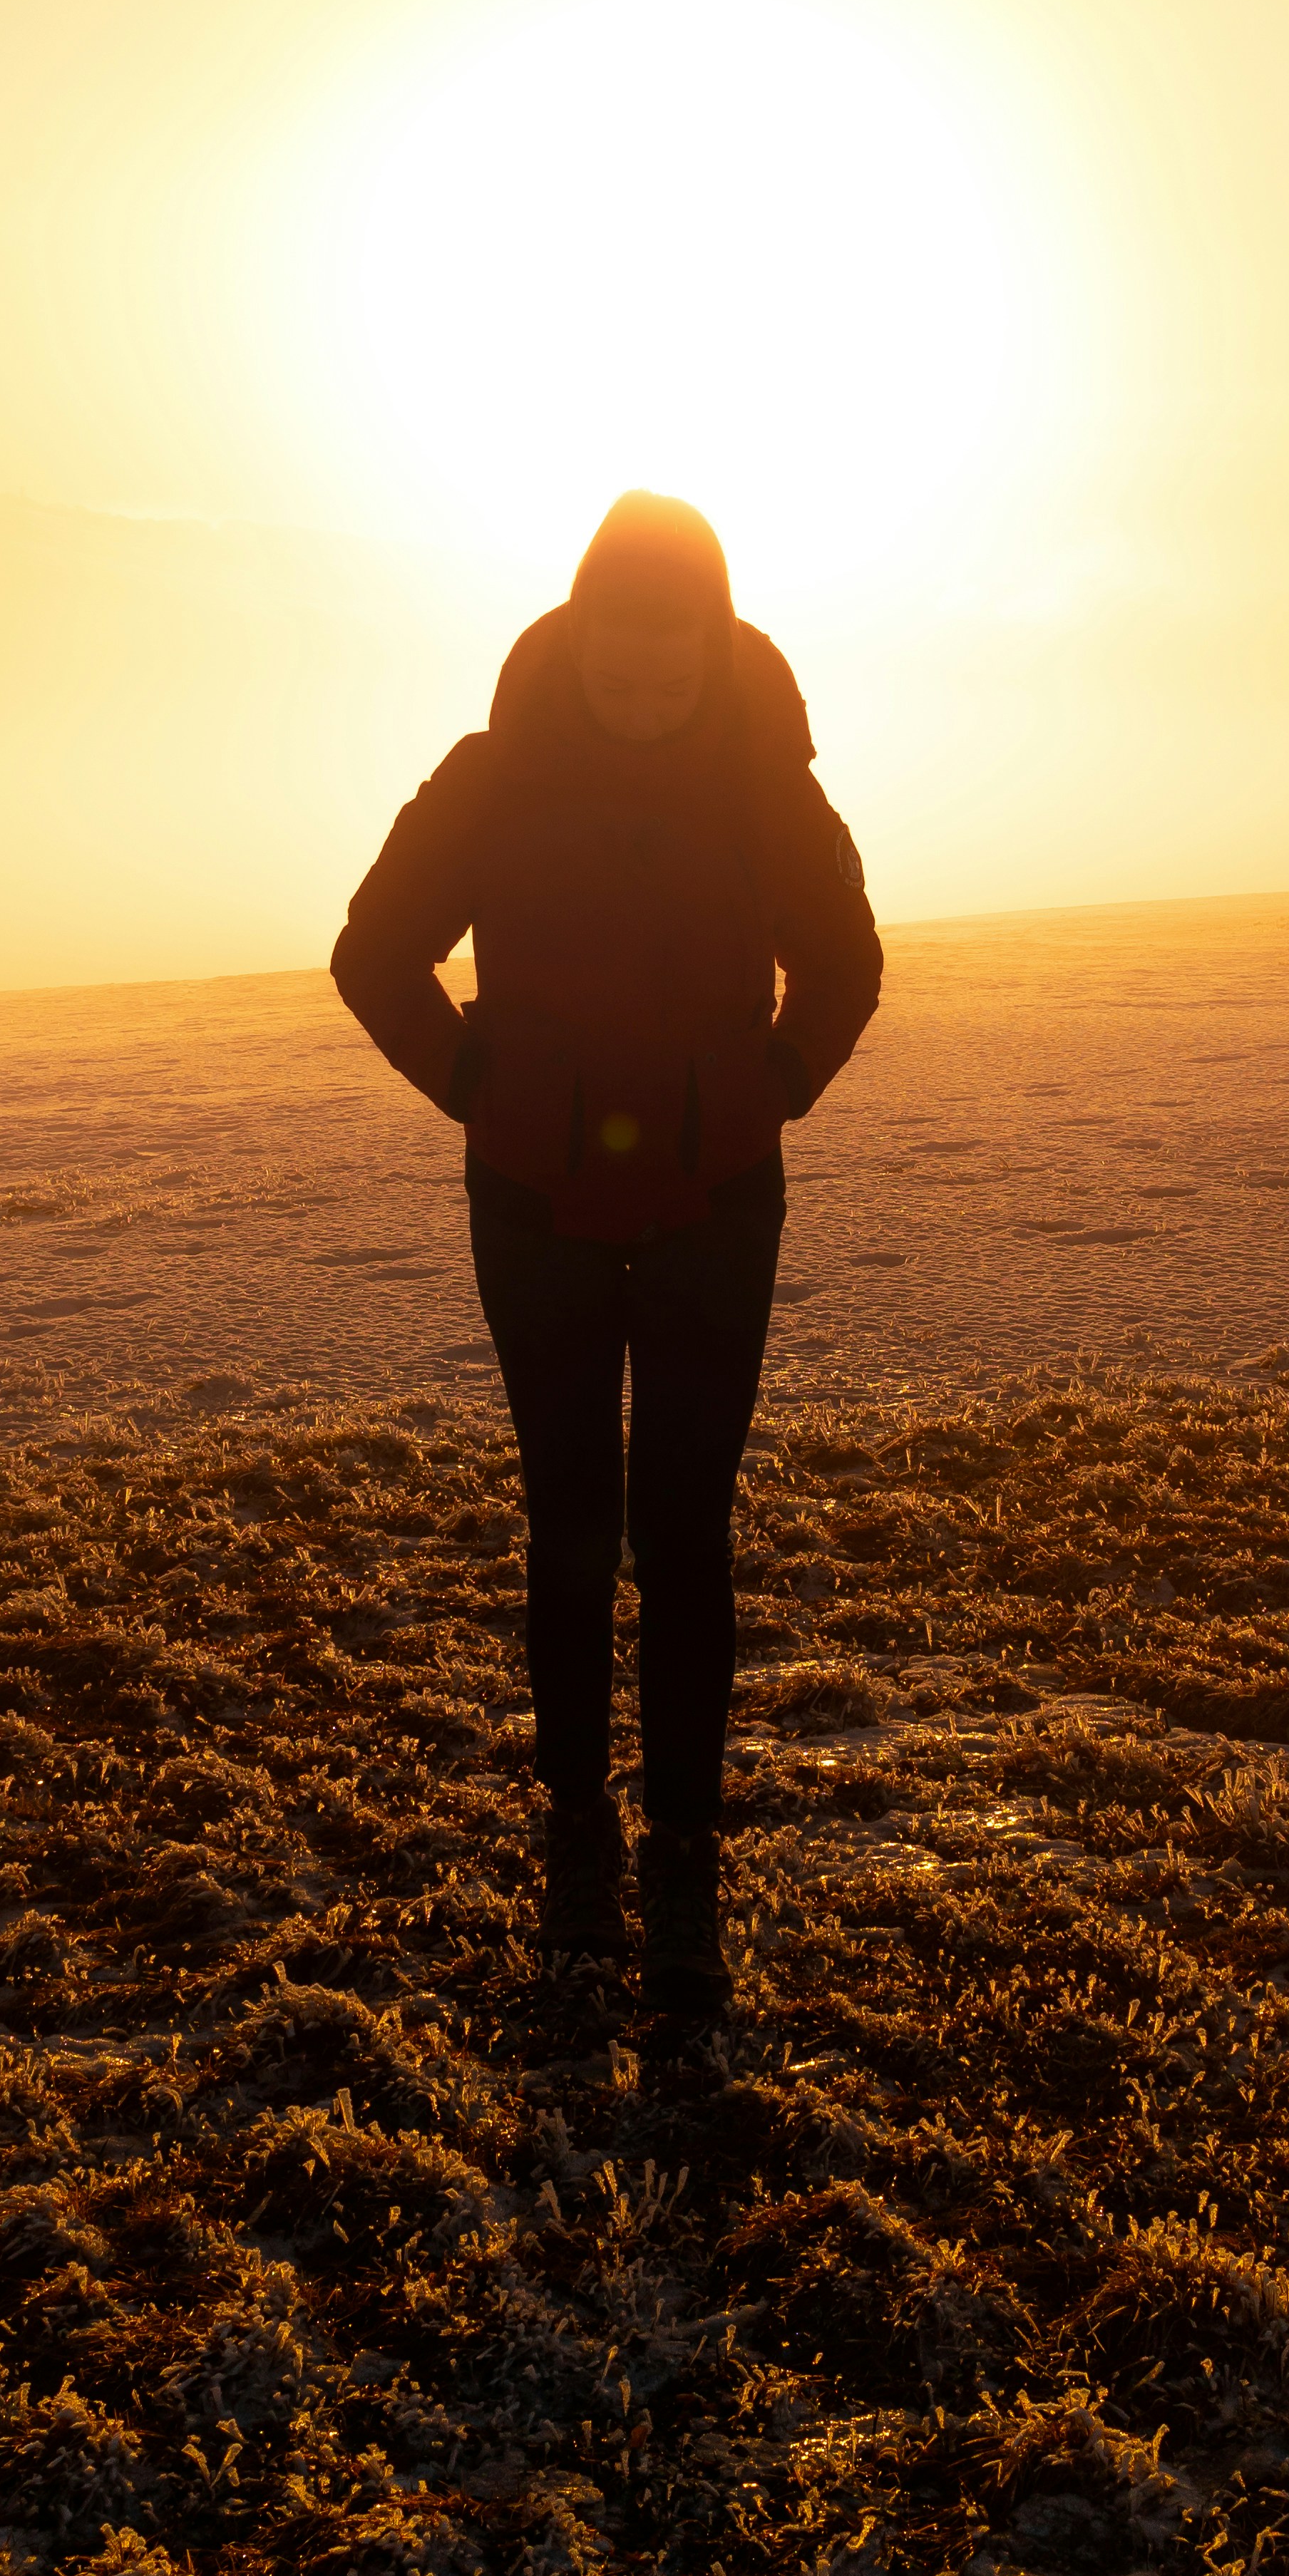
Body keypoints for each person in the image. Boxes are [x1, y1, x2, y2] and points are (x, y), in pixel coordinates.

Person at [331, 491, 884, 2019]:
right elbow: (373, 948)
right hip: (535, 1204)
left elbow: (846, 960)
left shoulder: (770, 785)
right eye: (617, 676)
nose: (644, 707)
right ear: (573, 642)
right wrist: (474, 1087)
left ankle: (686, 1866)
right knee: (571, 1521)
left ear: (717, 650)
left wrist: (766, 1093)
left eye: (674, 679)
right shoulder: (492, 781)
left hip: (717, 1207)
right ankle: (580, 1838)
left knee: (685, 1531)